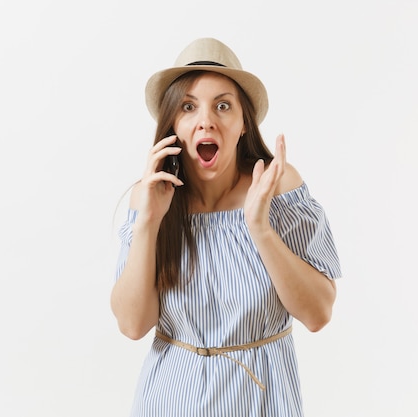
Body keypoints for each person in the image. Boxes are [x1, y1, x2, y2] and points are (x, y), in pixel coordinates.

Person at [111, 37, 342, 417]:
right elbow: (133, 325)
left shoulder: (278, 188)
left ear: (243, 123)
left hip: (260, 400)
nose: (207, 120)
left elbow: (318, 313)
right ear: (173, 124)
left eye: (223, 105)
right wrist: (149, 222)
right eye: (188, 106)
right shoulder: (149, 199)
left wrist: (260, 227)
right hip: (171, 400)